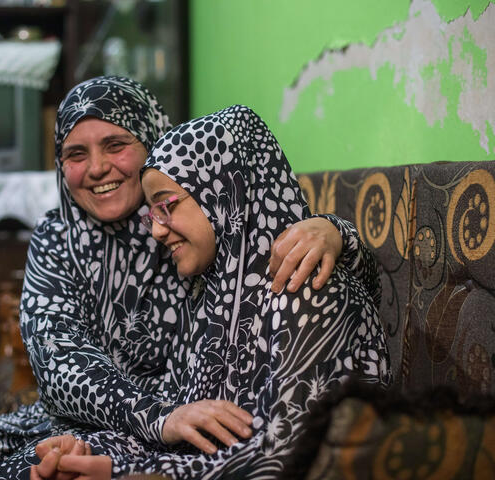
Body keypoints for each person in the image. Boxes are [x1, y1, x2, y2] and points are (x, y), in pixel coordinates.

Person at [0, 78, 374, 479]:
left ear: (156, 143)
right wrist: (151, 422)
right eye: (76, 154)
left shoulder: (204, 227)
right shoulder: (61, 239)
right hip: (111, 418)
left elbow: (277, 233)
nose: (96, 169)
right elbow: (59, 363)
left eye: (116, 145)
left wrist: (336, 231)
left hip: (186, 433)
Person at [37, 105, 391, 479]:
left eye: (166, 206)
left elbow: (291, 459)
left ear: (224, 194)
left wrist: (125, 472)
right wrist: (88, 452)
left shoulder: (308, 292)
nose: (156, 231)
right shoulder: (216, 296)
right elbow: (189, 429)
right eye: (151, 213)